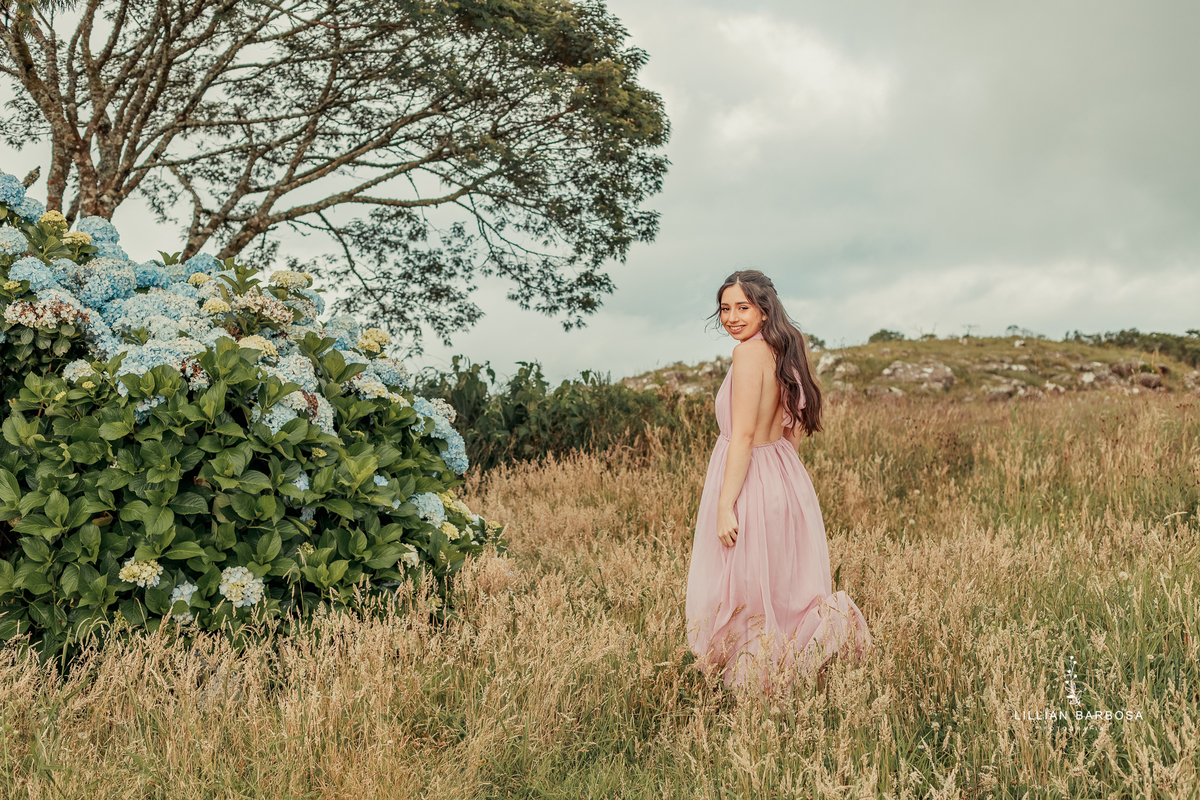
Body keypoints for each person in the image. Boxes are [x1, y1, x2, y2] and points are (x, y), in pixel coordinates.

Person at [685, 270, 872, 690]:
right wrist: (783, 481)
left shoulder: (748, 354)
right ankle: (792, 672)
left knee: (743, 588)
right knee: (781, 586)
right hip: (784, 474)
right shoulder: (784, 349)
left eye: (742, 307)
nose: (731, 318)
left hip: (750, 475)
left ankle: (758, 682)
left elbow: (744, 435)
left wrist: (724, 504)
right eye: (725, 308)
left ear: (764, 309)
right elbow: (793, 429)